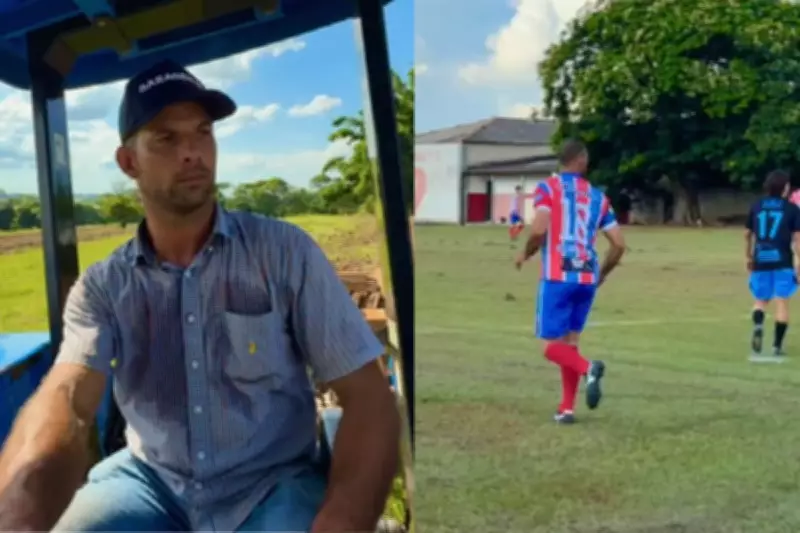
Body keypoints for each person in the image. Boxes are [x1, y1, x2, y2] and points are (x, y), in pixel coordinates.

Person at [0, 60, 400, 532]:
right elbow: (68, 396)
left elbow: (370, 397)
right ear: (129, 162)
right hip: (151, 480)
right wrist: (19, 509)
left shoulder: (284, 253)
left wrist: (342, 519)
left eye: (202, 132)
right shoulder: (104, 287)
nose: (192, 151)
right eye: (166, 139)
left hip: (273, 480)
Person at [515, 139, 625, 424]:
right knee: (570, 342)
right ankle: (567, 409)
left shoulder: (547, 189)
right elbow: (618, 244)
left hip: (557, 275)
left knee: (551, 347)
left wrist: (525, 253)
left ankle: (589, 369)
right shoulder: (599, 198)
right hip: (587, 275)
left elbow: (539, 230)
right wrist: (601, 274)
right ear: (582, 161)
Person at [745, 170, 800, 361]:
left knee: (760, 300)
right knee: (782, 301)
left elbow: (747, 234)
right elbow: (797, 238)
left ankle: (758, 325)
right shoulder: (792, 209)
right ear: (784, 188)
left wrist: (748, 256)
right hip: (782, 260)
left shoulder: (757, 206)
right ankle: (777, 346)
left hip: (761, 258)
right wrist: (799, 263)